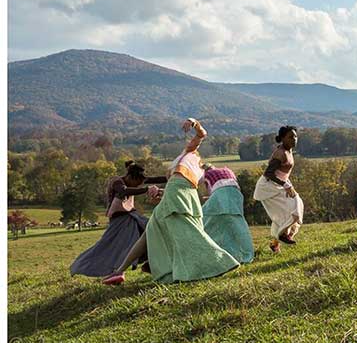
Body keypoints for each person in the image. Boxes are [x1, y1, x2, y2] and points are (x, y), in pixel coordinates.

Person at [103, 118, 239, 285]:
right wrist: (162, 192)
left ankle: (219, 261)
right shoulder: (185, 163)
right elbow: (176, 183)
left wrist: (193, 122)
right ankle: (123, 271)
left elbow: (202, 134)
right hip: (178, 193)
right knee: (152, 232)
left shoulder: (192, 153)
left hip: (181, 193)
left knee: (185, 232)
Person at [69, 161, 166, 278]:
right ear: (130, 177)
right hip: (119, 220)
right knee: (116, 247)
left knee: (153, 232)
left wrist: (174, 176)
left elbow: (158, 179)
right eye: (136, 183)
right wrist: (146, 190)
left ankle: (150, 263)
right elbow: (124, 191)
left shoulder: (138, 178)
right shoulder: (116, 182)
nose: (137, 185)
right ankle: (85, 266)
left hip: (132, 216)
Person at [253, 126, 303, 253]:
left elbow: (283, 173)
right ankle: (283, 235)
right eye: (290, 137)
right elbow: (269, 173)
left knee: (290, 209)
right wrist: (285, 185)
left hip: (279, 184)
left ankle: (275, 243)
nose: (294, 139)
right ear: (282, 138)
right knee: (292, 206)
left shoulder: (289, 151)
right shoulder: (280, 153)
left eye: (295, 136)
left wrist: (287, 184)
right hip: (268, 187)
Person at [201, 164, 254, 264]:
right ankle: (243, 252)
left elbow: (213, 191)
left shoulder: (207, 174)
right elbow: (227, 187)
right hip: (236, 194)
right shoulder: (227, 170)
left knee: (204, 216)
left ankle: (212, 249)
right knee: (236, 222)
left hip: (220, 195)